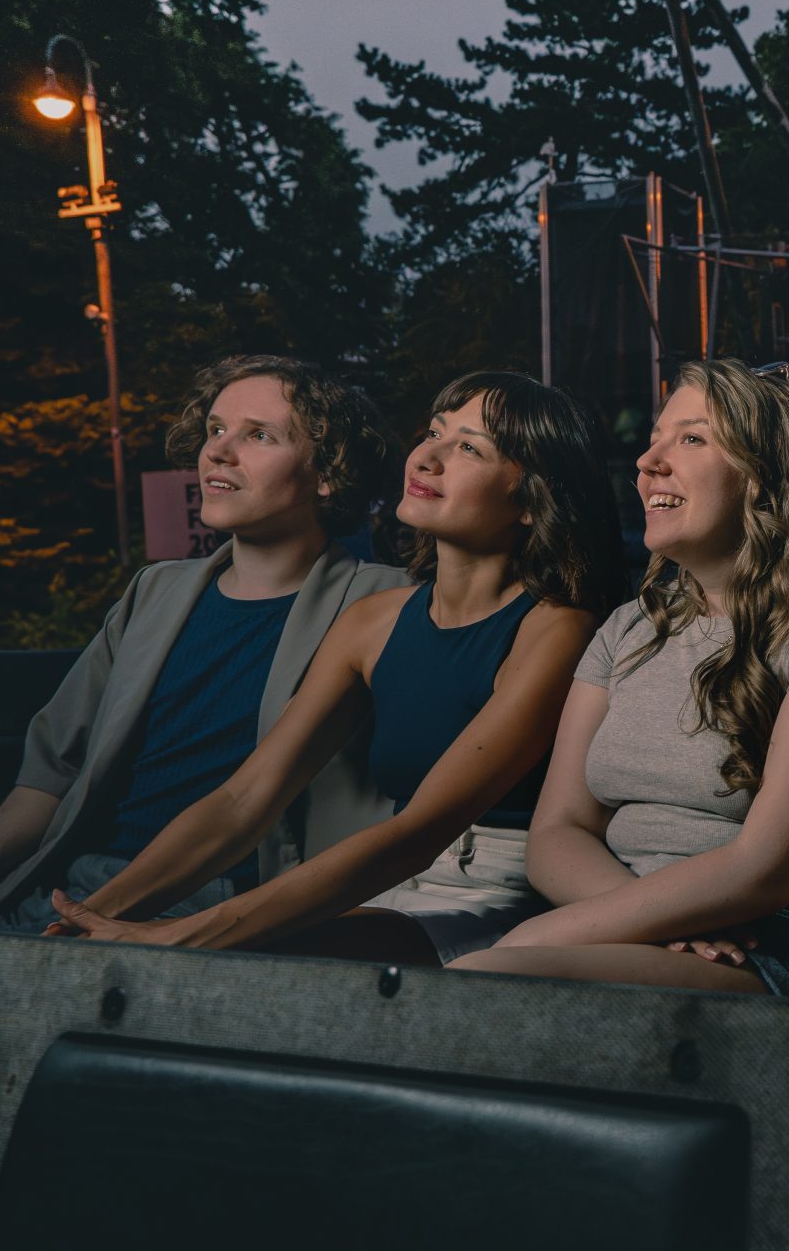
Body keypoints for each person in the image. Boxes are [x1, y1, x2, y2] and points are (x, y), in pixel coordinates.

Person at [44, 373, 623, 964]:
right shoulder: (372, 622)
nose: (427, 459)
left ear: (530, 501)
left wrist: (183, 936)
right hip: (388, 888)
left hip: (498, 897)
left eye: (469, 449)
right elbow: (243, 801)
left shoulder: (557, 628)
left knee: (249, 966)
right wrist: (90, 920)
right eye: (433, 434)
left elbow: (418, 834)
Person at [449, 359, 789, 995]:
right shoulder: (628, 628)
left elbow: (764, 870)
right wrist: (650, 921)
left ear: (766, 476)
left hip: (787, 934)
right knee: (476, 980)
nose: (648, 463)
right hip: (649, 923)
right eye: (654, 440)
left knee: (485, 980)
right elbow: (556, 834)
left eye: (692, 438)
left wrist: (543, 936)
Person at [0, 356, 402, 931]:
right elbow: (55, 767)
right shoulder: (154, 591)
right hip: (69, 889)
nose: (218, 451)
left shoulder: (385, 600)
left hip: (234, 908)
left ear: (328, 472)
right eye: (216, 429)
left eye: (259, 435)